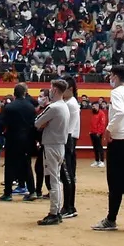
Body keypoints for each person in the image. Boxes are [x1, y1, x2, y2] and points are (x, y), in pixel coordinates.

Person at [92, 67, 124, 231]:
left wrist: (108, 129)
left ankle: (111, 218)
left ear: (115, 76)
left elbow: (119, 113)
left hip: (118, 141)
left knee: (114, 183)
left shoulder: (116, 93)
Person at [35, 80, 71, 225]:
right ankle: (55, 211)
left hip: (51, 145)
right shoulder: (64, 106)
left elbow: (37, 122)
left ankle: (54, 212)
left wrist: (44, 123)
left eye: (51, 88)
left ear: (55, 90)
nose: (49, 91)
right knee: (55, 178)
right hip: (59, 144)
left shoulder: (54, 107)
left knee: (53, 180)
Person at [0, 82, 37, 201]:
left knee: (10, 165)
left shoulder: (9, 107)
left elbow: (2, 124)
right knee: (27, 165)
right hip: (27, 139)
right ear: (25, 93)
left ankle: (8, 193)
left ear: (14, 94)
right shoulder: (31, 107)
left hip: (12, 139)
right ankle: (32, 191)